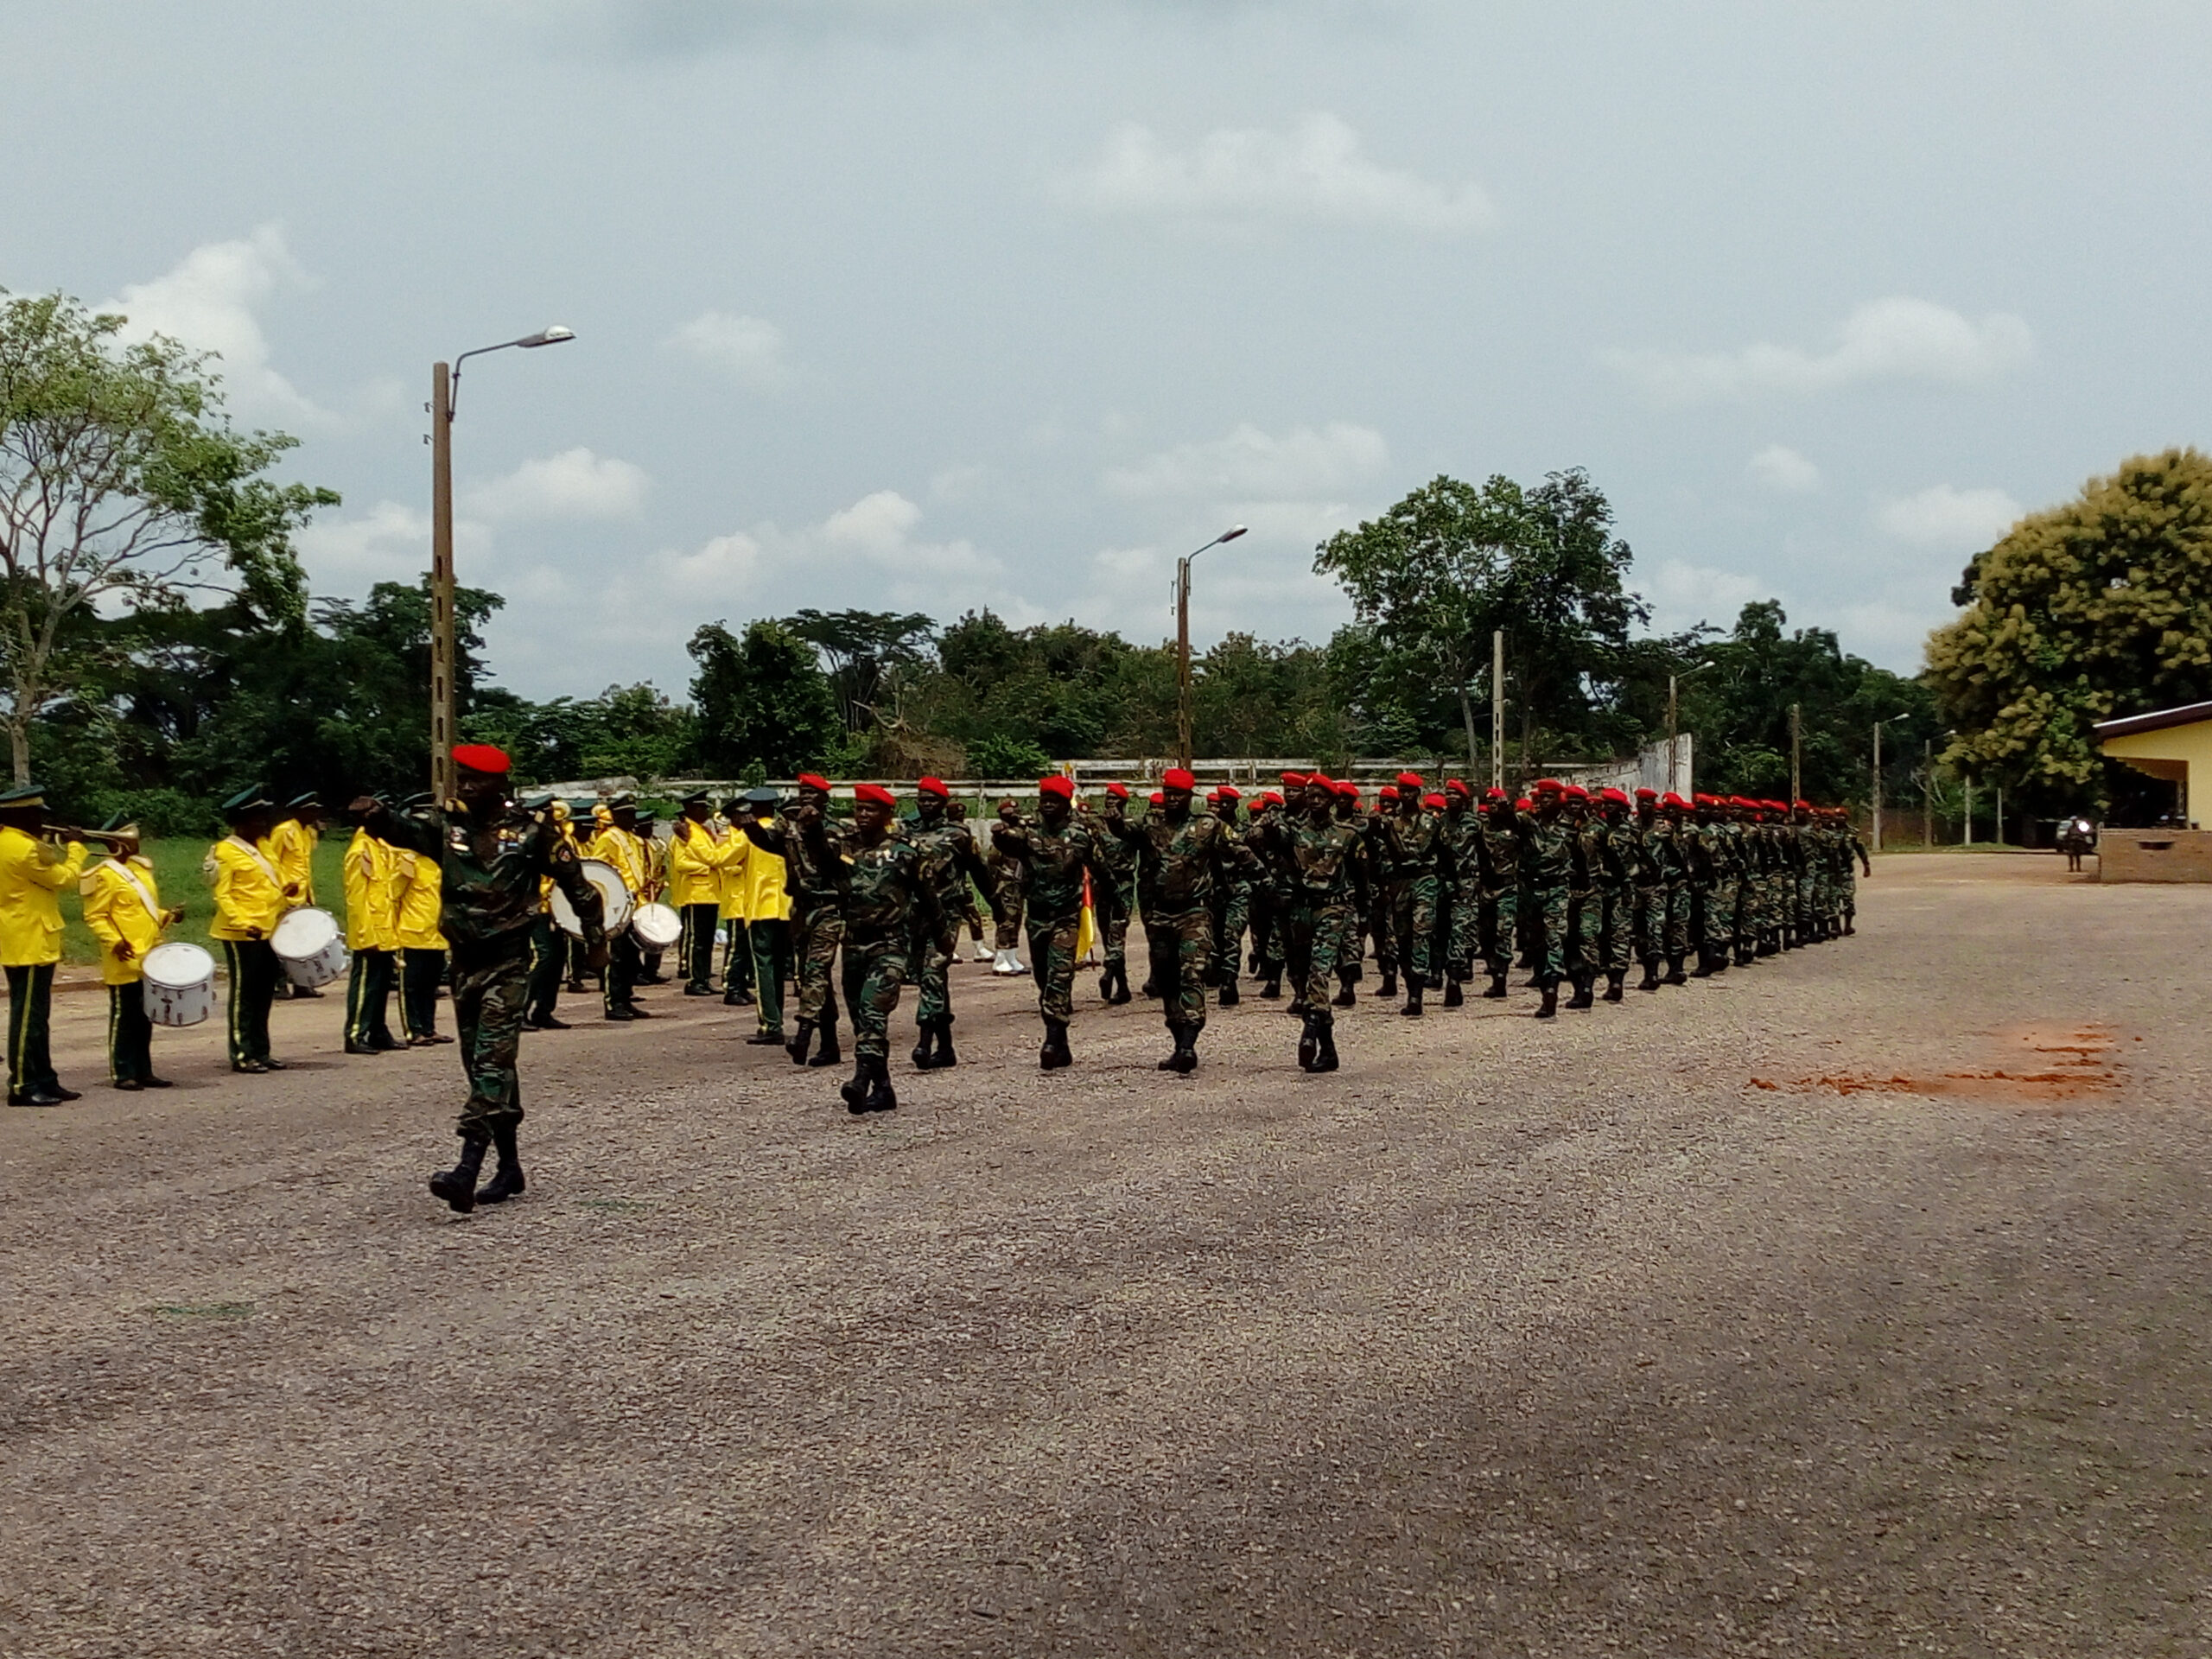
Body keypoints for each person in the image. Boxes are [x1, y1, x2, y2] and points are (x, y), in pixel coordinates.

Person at [353, 745, 607, 1213]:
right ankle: (508, 1168)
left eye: (476, 779)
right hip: (464, 963)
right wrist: (376, 815)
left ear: (500, 786)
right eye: (461, 778)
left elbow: (580, 887)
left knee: (491, 1060)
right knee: (483, 1066)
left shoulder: (534, 836)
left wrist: (595, 942)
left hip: (509, 963)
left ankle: (466, 1169)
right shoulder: (447, 829)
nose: (466, 786)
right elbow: (404, 830)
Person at [1100, 766, 1252, 1074]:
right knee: (1167, 979)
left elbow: (1242, 853)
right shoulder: (1150, 825)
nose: (1172, 799)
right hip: (1159, 916)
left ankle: (1188, 1044)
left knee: (1191, 974)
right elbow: (1123, 832)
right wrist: (1114, 815)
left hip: (1194, 913)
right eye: (1168, 793)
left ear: (1189, 797)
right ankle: (1177, 1036)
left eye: (1178, 794)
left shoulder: (1208, 826)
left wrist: (1264, 884)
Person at [815, 782, 940, 1113]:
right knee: (860, 1019)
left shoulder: (906, 850)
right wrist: (812, 827)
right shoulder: (844, 846)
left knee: (873, 1013)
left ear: (887, 814)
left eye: (871, 810)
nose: (863, 815)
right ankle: (883, 1089)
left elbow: (929, 898)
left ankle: (859, 1080)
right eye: (859, 809)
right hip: (854, 943)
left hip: (890, 944)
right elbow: (818, 860)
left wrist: (940, 939)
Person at [992, 776, 1108, 1069]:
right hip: (1038, 917)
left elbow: (1102, 870)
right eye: (1044, 800)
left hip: (1066, 918)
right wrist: (1000, 830)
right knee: (1043, 979)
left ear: (1065, 805)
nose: (1047, 805)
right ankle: (1062, 1042)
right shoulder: (1028, 834)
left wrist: (1113, 903)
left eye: (1054, 801)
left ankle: (1052, 1039)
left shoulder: (1080, 836)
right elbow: (1006, 844)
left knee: (1059, 977)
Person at [738, 772, 847, 1067]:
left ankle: (803, 1033)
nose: (806, 798)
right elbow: (771, 844)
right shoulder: (788, 827)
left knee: (815, 971)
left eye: (812, 793)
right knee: (816, 976)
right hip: (800, 908)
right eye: (802, 793)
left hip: (828, 907)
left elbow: (829, 860)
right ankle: (829, 1044)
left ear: (825, 800)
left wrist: (815, 831)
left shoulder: (836, 829)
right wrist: (752, 832)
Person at [1262, 773, 1368, 1073]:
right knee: (1299, 974)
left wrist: (1363, 915)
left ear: (1332, 802)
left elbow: (1361, 879)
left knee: (1319, 973)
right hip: (1300, 911)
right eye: (1311, 797)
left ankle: (1309, 1032)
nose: (1314, 801)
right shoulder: (1292, 831)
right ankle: (1329, 1050)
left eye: (1320, 797)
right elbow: (1262, 844)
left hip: (1332, 910)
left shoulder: (1348, 835)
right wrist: (1271, 824)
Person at [79, 814, 184, 1091]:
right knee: (124, 1015)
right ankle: (122, 1070)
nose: (136, 844)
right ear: (118, 844)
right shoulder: (103, 875)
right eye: (130, 840)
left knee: (145, 1014)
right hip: (123, 954)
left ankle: (144, 1069)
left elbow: (144, 910)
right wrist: (114, 941)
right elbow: (95, 916)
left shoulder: (141, 871)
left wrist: (168, 915)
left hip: (149, 953)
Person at [0, 785, 85, 1106]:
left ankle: (45, 1078)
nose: (42, 822)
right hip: (31, 938)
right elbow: (64, 878)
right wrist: (76, 848)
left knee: (36, 1015)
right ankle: (22, 1084)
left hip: (22, 934)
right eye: (36, 816)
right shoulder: (26, 849)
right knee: (28, 1019)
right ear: (19, 816)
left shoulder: (10, 842)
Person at [908, 776, 997, 1068]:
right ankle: (945, 1047)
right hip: (914, 915)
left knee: (933, 971)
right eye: (922, 800)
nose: (926, 805)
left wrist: (997, 905)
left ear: (944, 804)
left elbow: (979, 872)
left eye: (932, 800)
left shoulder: (958, 835)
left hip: (946, 914)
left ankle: (924, 1042)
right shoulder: (906, 833)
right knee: (929, 978)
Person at [207, 785, 289, 1072]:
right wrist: (243, 923)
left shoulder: (262, 847)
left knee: (264, 992)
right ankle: (242, 1053)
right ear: (241, 823)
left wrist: (287, 893)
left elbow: (272, 882)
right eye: (258, 820)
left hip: (268, 928)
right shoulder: (225, 852)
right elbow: (224, 895)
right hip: (241, 932)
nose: (263, 825)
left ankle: (261, 1050)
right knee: (245, 993)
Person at [728, 789, 790, 1046]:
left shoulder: (748, 836)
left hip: (761, 907)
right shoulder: (785, 831)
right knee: (778, 966)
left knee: (763, 964)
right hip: (786, 906)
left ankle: (770, 1024)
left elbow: (719, 859)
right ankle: (777, 1018)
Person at [341, 799, 402, 1053]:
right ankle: (355, 1032)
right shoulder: (360, 851)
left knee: (380, 984)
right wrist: (366, 934)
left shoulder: (378, 847)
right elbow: (356, 898)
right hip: (370, 930)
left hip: (385, 926)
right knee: (366, 983)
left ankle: (377, 1030)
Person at [667, 789, 741, 997]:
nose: (705, 811)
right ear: (690, 809)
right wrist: (709, 868)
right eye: (701, 807)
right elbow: (682, 864)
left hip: (711, 892)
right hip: (695, 892)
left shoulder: (703, 831)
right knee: (696, 939)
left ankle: (703, 977)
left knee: (706, 939)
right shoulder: (684, 833)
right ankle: (693, 979)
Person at [393, 802, 454, 1046]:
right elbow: (394, 897)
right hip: (412, 933)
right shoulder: (409, 861)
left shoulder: (438, 863)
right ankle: (413, 1029)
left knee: (430, 985)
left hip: (435, 934)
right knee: (411, 986)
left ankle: (429, 1027)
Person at [589, 796, 653, 1020]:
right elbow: (597, 871)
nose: (632, 819)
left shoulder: (633, 839)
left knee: (630, 955)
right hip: (617, 904)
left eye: (633, 814)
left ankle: (626, 998)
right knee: (616, 955)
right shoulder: (608, 838)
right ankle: (613, 1002)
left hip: (634, 902)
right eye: (627, 814)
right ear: (616, 816)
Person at [522, 794, 575, 1031]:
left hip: (557, 909)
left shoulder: (560, 841)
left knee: (557, 958)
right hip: (535, 908)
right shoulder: (526, 841)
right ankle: (520, 1010)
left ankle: (544, 1010)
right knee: (542, 958)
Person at [267, 792, 326, 997]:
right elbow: (271, 863)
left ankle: (302, 983)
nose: (315, 814)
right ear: (298, 811)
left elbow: (304, 865)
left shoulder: (308, 833)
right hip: (285, 895)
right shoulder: (283, 831)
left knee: (301, 942)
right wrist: (281, 888)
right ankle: (279, 984)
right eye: (311, 810)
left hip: (302, 894)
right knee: (281, 941)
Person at [1092, 781, 1139, 1004]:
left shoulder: (1131, 826)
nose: (1110, 802)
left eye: (1115, 799)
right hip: (1101, 884)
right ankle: (1122, 987)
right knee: (1106, 935)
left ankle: (1109, 971)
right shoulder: (1097, 825)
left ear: (1124, 802)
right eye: (1108, 798)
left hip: (1123, 884)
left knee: (1117, 931)